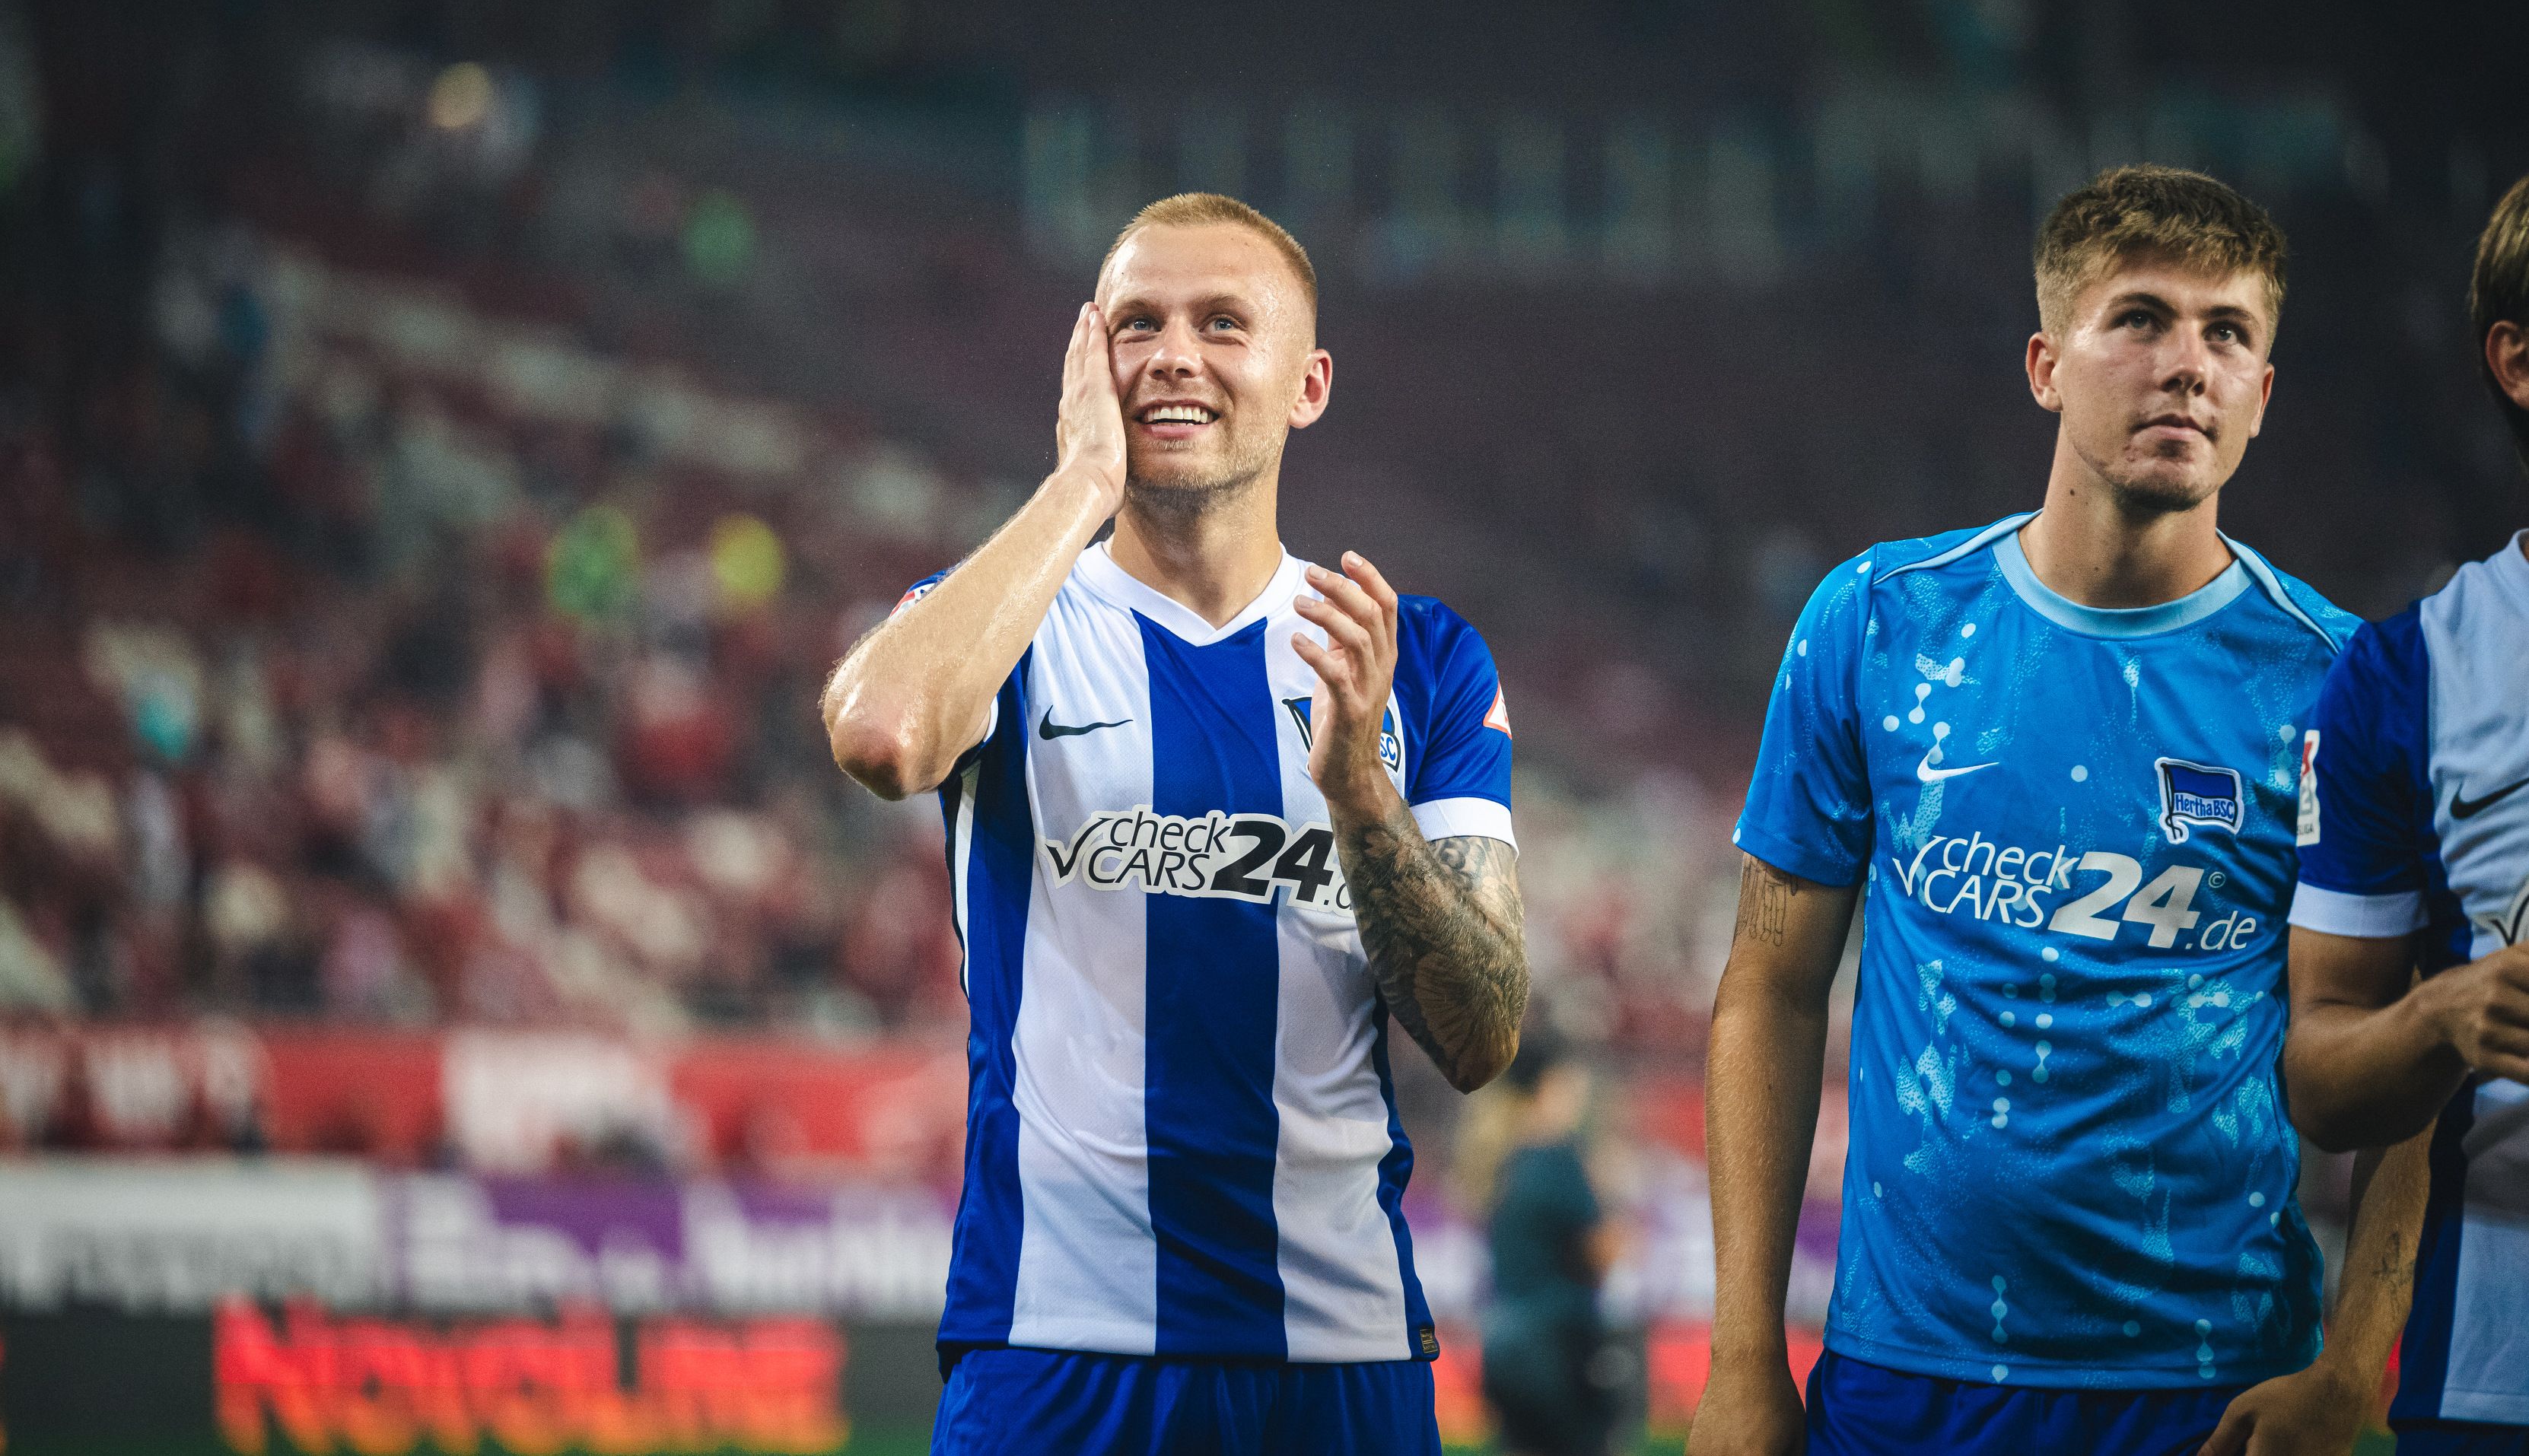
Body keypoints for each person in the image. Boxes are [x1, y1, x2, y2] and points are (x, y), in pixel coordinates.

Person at [1688, 166, 2416, 1456]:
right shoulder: (1877, 623)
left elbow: (2405, 1054)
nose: (2186, 363)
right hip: (1905, 1378)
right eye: (2139, 318)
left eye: (2228, 333)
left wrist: (2354, 1372)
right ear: (2044, 364)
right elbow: (1770, 987)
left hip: (2213, 1386)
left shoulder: (2344, 688)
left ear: (2262, 396)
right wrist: (1745, 1353)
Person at [822, 192, 1527, 1455]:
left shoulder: (1416, 658)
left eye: (1221, 322)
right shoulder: (1005, 621)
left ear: (1307, 384)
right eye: (1136, 323)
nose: (1173, 355)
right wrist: (1080, 480)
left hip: (1338, 1358)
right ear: (1091, 359)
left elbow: (1482, 1032)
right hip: (1054, 1346)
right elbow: (880, 733)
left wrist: (1362, 790)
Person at [2282, 171, 2529, 1454]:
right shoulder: (2408, 672)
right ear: (2518, 360)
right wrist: (2445, 1009)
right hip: (2497, 1378)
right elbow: (2319, 1074)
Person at [1481, 1028, 1626, 1456]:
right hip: (1559, 1349)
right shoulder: (1558, 1157)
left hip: (1503, 1346)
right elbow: (1601, 1253)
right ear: (1551, 1085)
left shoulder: (1498, 1158)